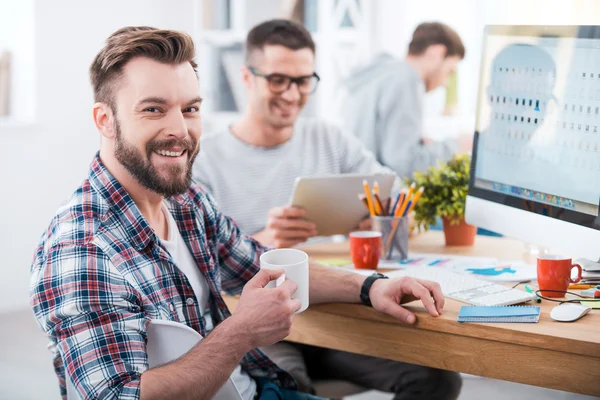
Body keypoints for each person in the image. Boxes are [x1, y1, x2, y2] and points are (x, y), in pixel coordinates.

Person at [29, 26, 453, 400]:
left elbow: (258, 262)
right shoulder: (81, 250)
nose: (180, 129)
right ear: (105, 120)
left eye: (190, 108)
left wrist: (371, 287)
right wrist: (242, 331)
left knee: (440, 377)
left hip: (256, 384)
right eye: (153, 109)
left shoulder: (185, 201)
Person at [193, 19, 462, 399]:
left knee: (438, 379)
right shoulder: (205, 160)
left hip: (335, 312)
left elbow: (396, 194)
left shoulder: (327, 138)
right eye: (278, 80)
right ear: (247, 77)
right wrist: (266, 241)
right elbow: (202, 266)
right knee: (290, 387)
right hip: (260, 326)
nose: (292, 94)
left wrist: (380, 216)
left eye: (303, 81)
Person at [341, 22, 470, 179]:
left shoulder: (383, 73)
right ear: (436, 53)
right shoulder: (406, 80)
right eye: (450, 71)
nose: (446, 82)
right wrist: (458, 145)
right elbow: (405, 165)